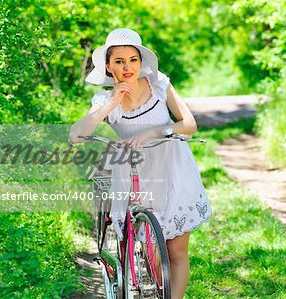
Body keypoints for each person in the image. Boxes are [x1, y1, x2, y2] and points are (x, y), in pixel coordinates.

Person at [69, 28, 212, 299]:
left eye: (133, 60)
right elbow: (76, 135)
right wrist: (113, 103)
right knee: (155, 255)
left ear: (141, 61)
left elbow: (189, 124)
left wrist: (154, 132)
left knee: (178, 250)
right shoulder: (103, 100)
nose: (127, 67)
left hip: (172, 167)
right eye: (119, 61)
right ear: (108, 66)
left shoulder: (159, 84)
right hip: (136, 173)